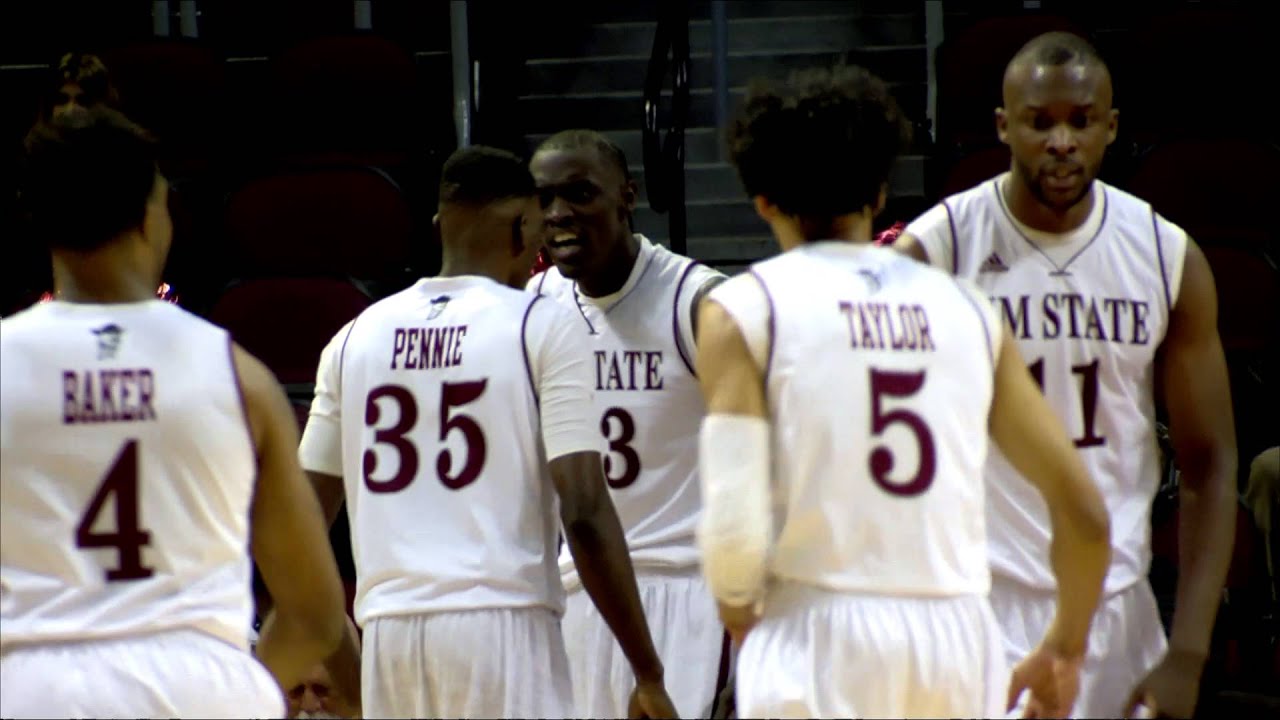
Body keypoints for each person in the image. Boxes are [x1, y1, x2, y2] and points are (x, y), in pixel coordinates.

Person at [696, 63, 1113, 719]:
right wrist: (1063, 646)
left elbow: (734, 537)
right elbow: (1085, 511)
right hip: (955, 634)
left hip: (814, 625)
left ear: (764, 202)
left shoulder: (743, 310)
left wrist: (746, 622)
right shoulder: (970, 311)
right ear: (881, 192)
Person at [893, 31, 1239, 718]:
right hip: (978, 607)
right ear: (1003, 127)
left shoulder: (1166, 257)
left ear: (1110, 127)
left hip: (1117, 611)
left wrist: (1189, 652)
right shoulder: (934, 252)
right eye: (1039, 122)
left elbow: (1209, 466)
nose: (1061, 141)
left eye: (1081, 122)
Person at [0, 107, 360, 718]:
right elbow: (315, 613)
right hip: (196, 681)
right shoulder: (236, 373)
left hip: (35, 687)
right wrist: (243, 691)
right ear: (150, 217)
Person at [298, 145, 677, 719]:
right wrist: (646, 670)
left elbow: (299, 530)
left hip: (389, 632)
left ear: (438, 226)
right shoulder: (541, 324)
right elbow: (583, 509)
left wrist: (349, 665)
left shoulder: (353, 337)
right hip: (503, 622)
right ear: (525, 228)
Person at [528, 129, 730, 720]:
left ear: (627, 197)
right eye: (543, 199)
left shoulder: (697, 301)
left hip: (687, 590)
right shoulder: (531, 307)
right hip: (579, 590)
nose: (559, 214)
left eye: (580, 194)